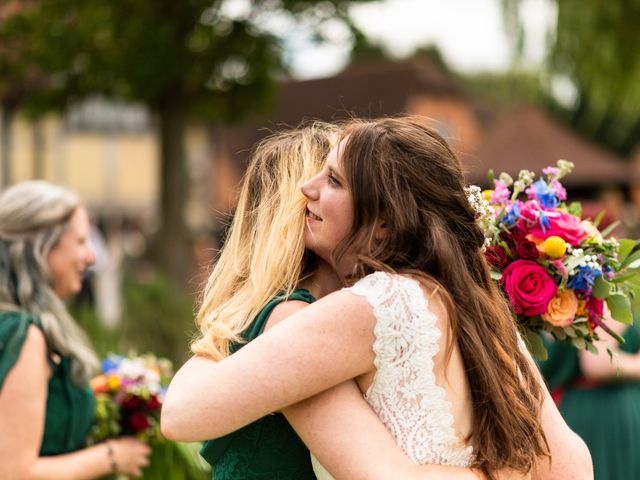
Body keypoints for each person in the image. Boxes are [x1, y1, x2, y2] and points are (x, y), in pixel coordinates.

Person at [162, 117, 593, 479]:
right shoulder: (476, 301)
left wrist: (218, 337)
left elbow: (180, 413)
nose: (305, 190)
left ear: (383, 222)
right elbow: (573, 465)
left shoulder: (371, 307)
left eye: (333, 180)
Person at [0, 181, 151, 478]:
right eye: (82, 242)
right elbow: (14, 471)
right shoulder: (23, 335)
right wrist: (113, 456)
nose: (92, 257)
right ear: (41, 247)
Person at [539, 282, 640, 479]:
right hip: (605, 418)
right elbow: (597, 362)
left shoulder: (547, 296)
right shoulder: (604, 292)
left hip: (565, 410)